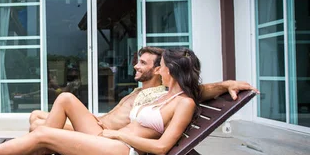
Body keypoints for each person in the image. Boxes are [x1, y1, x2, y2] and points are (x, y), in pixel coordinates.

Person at [0, 48, 203, 155]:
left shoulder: (184, 102)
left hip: (121, 153)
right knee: (64, 99)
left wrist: (120, 136)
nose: (161, 70)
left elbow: (162, 147)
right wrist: (109, 130)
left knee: (43, 134)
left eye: (163, 66)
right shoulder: (164, 94)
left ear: (172, 70)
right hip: (109, 141)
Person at [29, 46, 257, 132]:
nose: (136, 66)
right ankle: (45, 148)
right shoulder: (140, 91)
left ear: (159, 70)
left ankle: (44, 149)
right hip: (97, 123)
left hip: (103, 135)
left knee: (40, 123)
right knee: (37, 115)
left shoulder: (164, 93)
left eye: (143, 63)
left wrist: (226, 84)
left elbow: (199, 89)